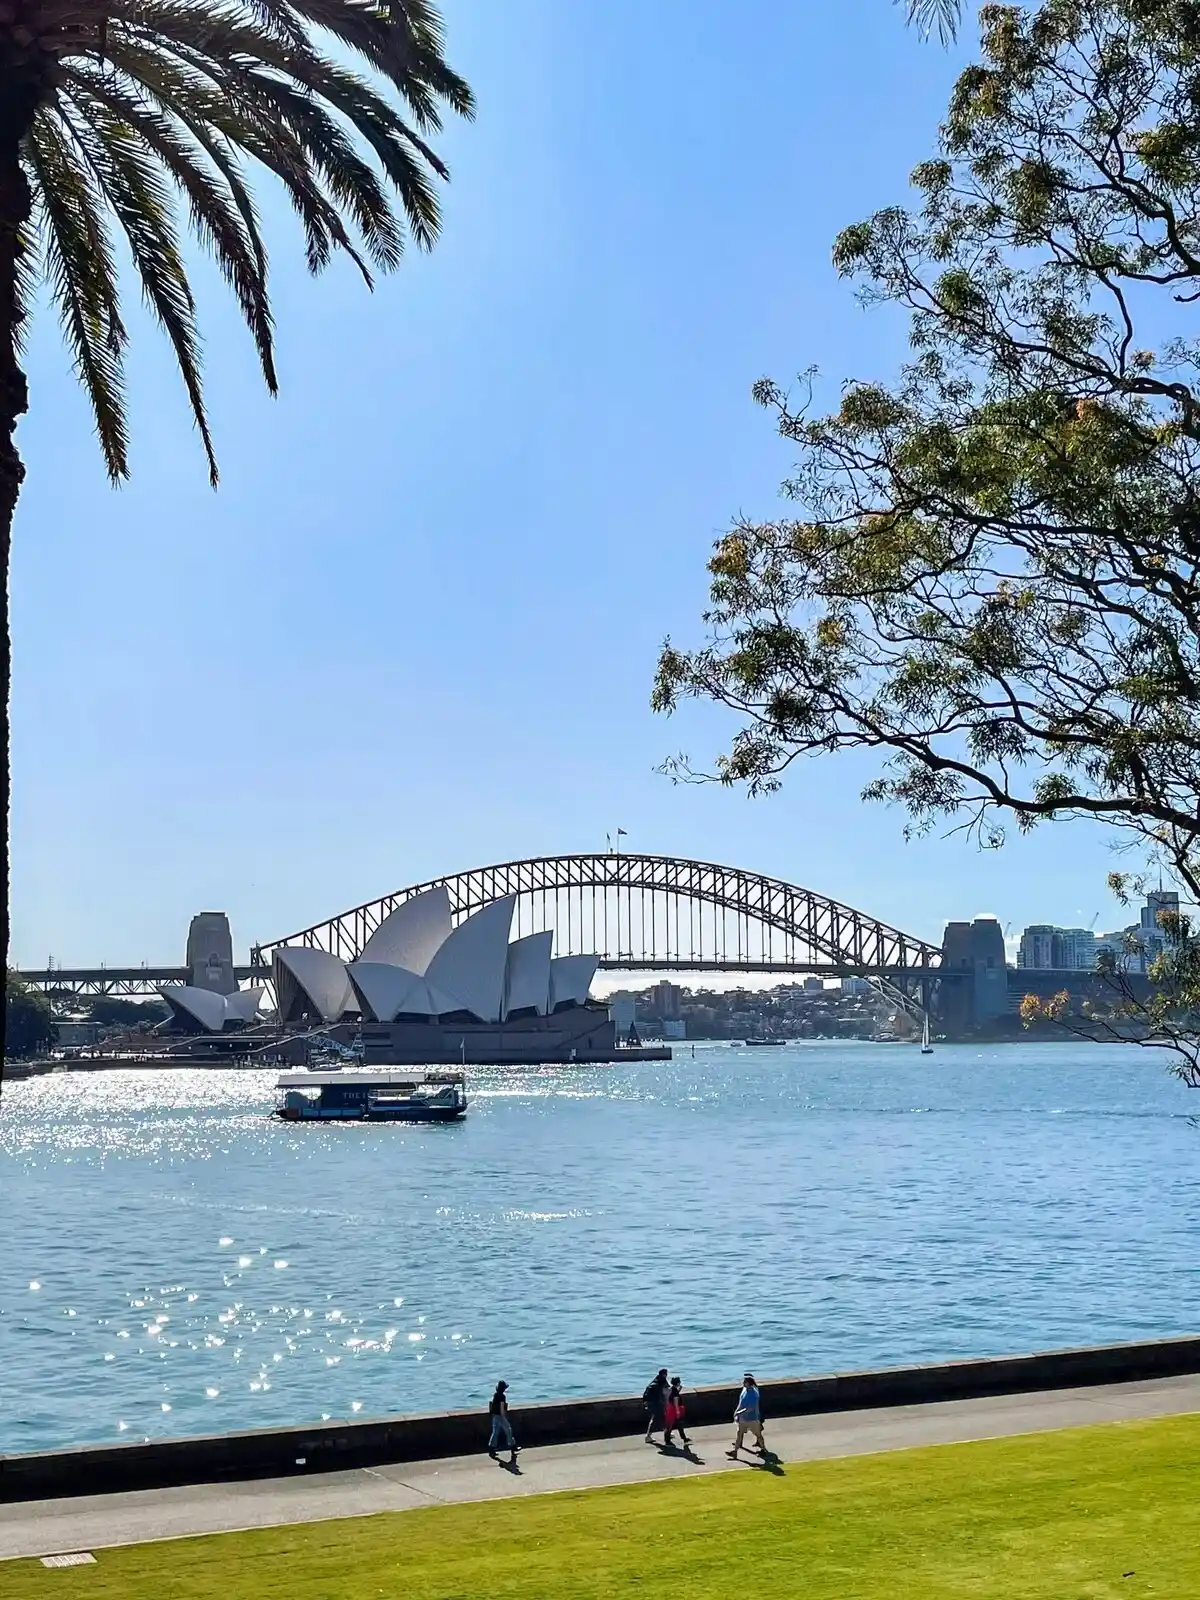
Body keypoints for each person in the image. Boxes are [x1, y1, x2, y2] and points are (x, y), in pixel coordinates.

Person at [728, 1372, 765, 1457]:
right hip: (743, 1418)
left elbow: (750, 1408)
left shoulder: (753, 1394)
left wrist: (739, 1413)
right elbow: (741, 1403)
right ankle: (735, 1452)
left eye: (745, 1382)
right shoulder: (744, 1390)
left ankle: (763, 1449)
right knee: (739, 1433)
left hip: (752, 1419)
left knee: (758, 1435)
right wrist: (736, 1412)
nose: (743, 1383)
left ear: (749, 1383)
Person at [487, 1380, 518, 1464]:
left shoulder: (495, 1395)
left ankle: (491, 1448)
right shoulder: (502, 1397)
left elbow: (491, 1404)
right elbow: (502, 1408)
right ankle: (512, 1446)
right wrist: (504, 1417)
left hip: (494, 1416)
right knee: (508, 1430)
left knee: (495, 1432)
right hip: (500, 1416)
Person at [642, 1367, 670, 1444]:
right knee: (656, 1419)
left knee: (662, 1417)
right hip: (655, 1403)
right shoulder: (659, 1382)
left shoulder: (657, 1380)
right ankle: (648, 1436)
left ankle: (667, 1432)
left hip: (652, 1402)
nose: (666, 1375)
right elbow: (665, 1391)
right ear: (664, 1374)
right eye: (666, 1374)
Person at [664, 1375, 691, 1449]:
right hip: (674, 1409)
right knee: (670, 1425)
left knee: (678, 1424)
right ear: (678, 1382)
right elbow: (675, 1400)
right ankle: (667, 1441)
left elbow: (671, 1396)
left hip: (670, 1408)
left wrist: (679, 1390)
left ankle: (684, 1438)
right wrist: (678, 1411)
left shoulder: (671, 1389)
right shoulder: (675, 1390)